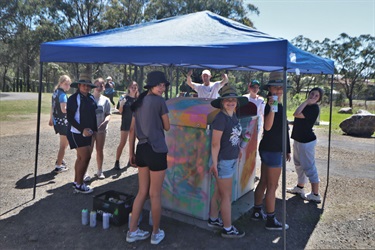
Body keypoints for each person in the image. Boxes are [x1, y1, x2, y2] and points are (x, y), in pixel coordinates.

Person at [126, 71, 170, 245]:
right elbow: (167, 126)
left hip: (141, 149)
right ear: (151, 86)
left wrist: (131, 153)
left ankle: (132, 231)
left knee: (142, 192)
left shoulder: (139, 102)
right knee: (155, 194)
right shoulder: (160, 102)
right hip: (157, 150)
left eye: (163, 85)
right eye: (159, 84)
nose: (162, 87)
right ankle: (155, 233)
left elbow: (132, 130)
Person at [251, 71, 291, 230]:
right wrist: (273, 105)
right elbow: (267, 127)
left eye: (281, 87)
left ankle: (256, 211)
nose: (279, 90)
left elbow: (283, 129)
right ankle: (271, 219)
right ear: (270, 89)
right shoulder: (271, 105)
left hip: (271, 148)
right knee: (272, 186)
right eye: (276, 87)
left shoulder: (278, 105)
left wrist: (287, 149)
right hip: (272, 150)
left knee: (265, 181)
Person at [208, 85, 248, 238]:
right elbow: (215, 143)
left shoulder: (233, 116)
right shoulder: (220, 118)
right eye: (227, 100)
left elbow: (233, 137)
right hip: (223, 162)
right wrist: (214, 163)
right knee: (226, 196)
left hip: (230, 159)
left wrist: (238, 149)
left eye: (233, 100)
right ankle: (228, 228)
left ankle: (213, 219)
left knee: (219, 192)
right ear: (222, 102)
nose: (231, 102)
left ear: (237, 103)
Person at [287, 87, 324, 203]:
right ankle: (300, 187)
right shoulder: (307, 107)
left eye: (316, 96)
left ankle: (315, 194)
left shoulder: (313, 108)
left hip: (306, 141)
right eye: (312, 94)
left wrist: (306, 101)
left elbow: (296, 113)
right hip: (298, 139)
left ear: (319, 99)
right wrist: (289, 122)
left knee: (309, 166)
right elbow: (300, 120)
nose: (313, 96)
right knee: (298, 164)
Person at [67, 73, 97, 194]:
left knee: (80, 158)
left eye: (88, 85)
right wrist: (81, 129)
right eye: (84, 85)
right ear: (79, 85)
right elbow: (69, 117)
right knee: (85, 157)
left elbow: (92, 115)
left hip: (89, 133)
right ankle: (79, 184)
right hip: (76, 132)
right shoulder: (73, 99)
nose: (86, 87)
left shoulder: (91, 98)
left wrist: (94, 130)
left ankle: (76, 181)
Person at [114, 81, 139, 170]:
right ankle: (117, 161)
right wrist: (121, 105)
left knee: (132, 143)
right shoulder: (124, 98)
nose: (134, 88)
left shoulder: (138, 99)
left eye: (135, 86)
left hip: (135, 125)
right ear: (129, 88)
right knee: (122, 143)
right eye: (132, 86)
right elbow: (120, 111)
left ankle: (131, 159)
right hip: (125, 123)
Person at [49, 75, 71, 173]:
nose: (67, 86)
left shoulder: (55, 93)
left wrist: (51, 119)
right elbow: (63, 109)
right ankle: (58, 165)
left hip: (57, 121)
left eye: (69, 84)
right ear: (61, 83)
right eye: (65, 84)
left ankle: (60, 159)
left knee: (65, 144)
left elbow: (52, 107)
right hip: (63, 122)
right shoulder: (62, 94)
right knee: (63, 145)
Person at [90, 78, 111, 180]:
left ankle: (99, 170)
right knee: (88, 151)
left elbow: (108, 114)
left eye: (101, 85)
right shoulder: (88, 98)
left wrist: (105, 122)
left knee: (99, 150)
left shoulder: (106, 100)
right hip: (90, 129)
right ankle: (84, 172)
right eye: (97, 85)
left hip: (101, 129)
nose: (99, 87)